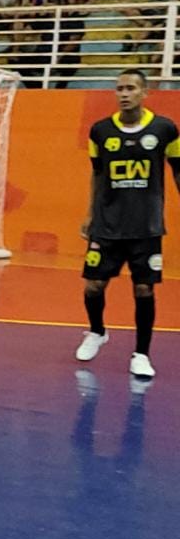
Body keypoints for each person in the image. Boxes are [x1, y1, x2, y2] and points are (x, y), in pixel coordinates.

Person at [75, 70, 180, 379]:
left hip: (146, 227)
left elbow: (178, 170)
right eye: (119, 88)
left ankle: (141, 354)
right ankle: (97, 331)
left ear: (144, 92)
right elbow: (98, 174)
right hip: (107, 224)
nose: (124, 94)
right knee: (94, 285)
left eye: (131, 88)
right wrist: (90, 214)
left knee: (144, 289)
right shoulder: (100, 131)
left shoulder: (165, 129)